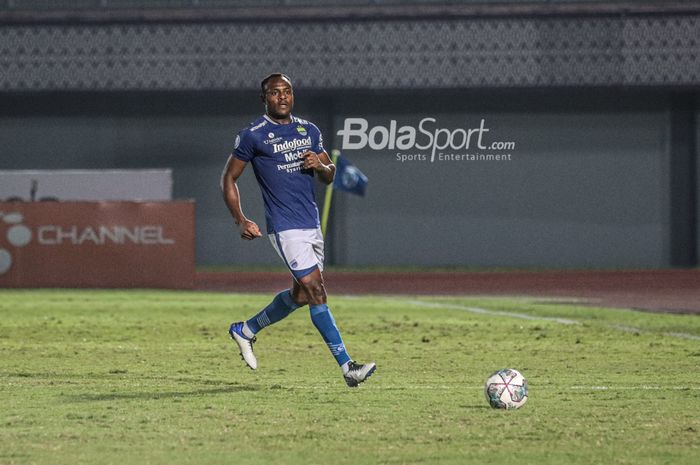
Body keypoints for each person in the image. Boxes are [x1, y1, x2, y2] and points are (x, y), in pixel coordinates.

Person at [221, 73, 376, 387]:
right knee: (317, 292)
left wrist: (320, 166)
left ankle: (245, 331)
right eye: (275, 92)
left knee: (301, 296)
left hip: (311, 225)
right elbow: (228, 179)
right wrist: (241, 220)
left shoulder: (310, 130)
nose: (282, 97)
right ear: (264, 98)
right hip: (284, 226)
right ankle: (348, 368)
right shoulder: (253, 135)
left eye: (287, 91)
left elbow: (329, 175)